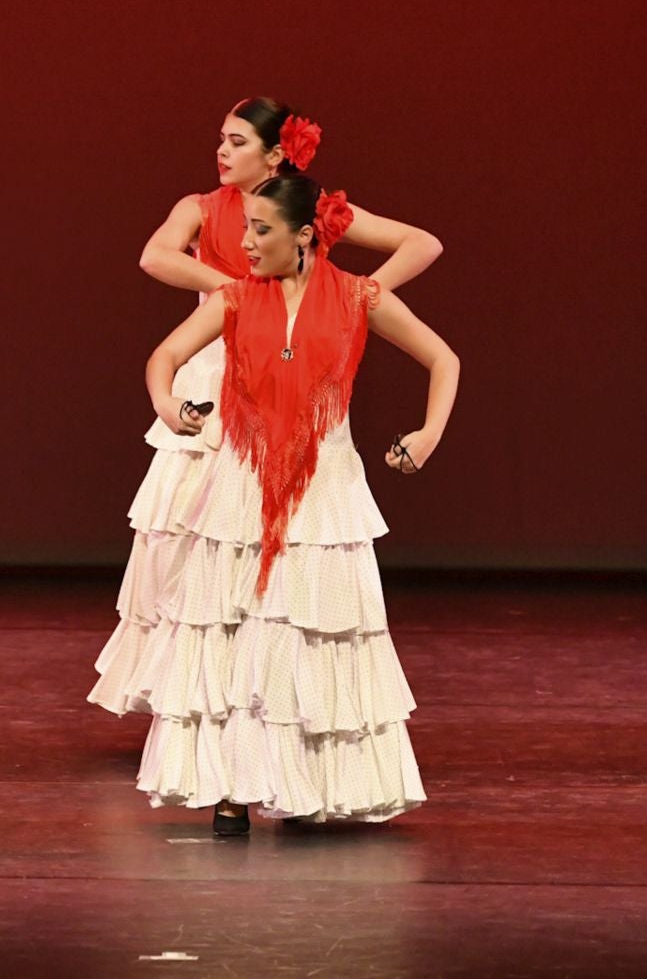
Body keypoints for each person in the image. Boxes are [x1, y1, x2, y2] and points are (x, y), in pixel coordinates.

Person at [128, 173, 459, 832]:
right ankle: (231, 784)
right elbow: (164, 356)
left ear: (304, 235)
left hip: (323, 487)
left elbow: (442, 359)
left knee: (308, 630)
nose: (245, 242)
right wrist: (169, 405)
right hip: (242, 486)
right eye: (247, 226)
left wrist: (427, 434)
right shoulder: (229, 298)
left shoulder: (360, 296)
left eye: (261, 230)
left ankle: (302, 782)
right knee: (240, 630)